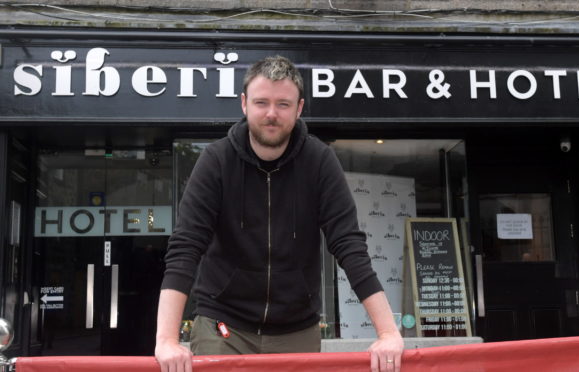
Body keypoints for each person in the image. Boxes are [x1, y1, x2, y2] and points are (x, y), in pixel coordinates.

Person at [155, 55, 404, 372]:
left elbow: (349, 245)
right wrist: (166, 339)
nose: (271, 114)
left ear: (299, 109)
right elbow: (185, 248)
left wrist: (387, 332)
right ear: (244, 104)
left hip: (297, 330)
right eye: (262, 102)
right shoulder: (216, 161)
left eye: (283, 104)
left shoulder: (320, 161)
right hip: (224, 326)